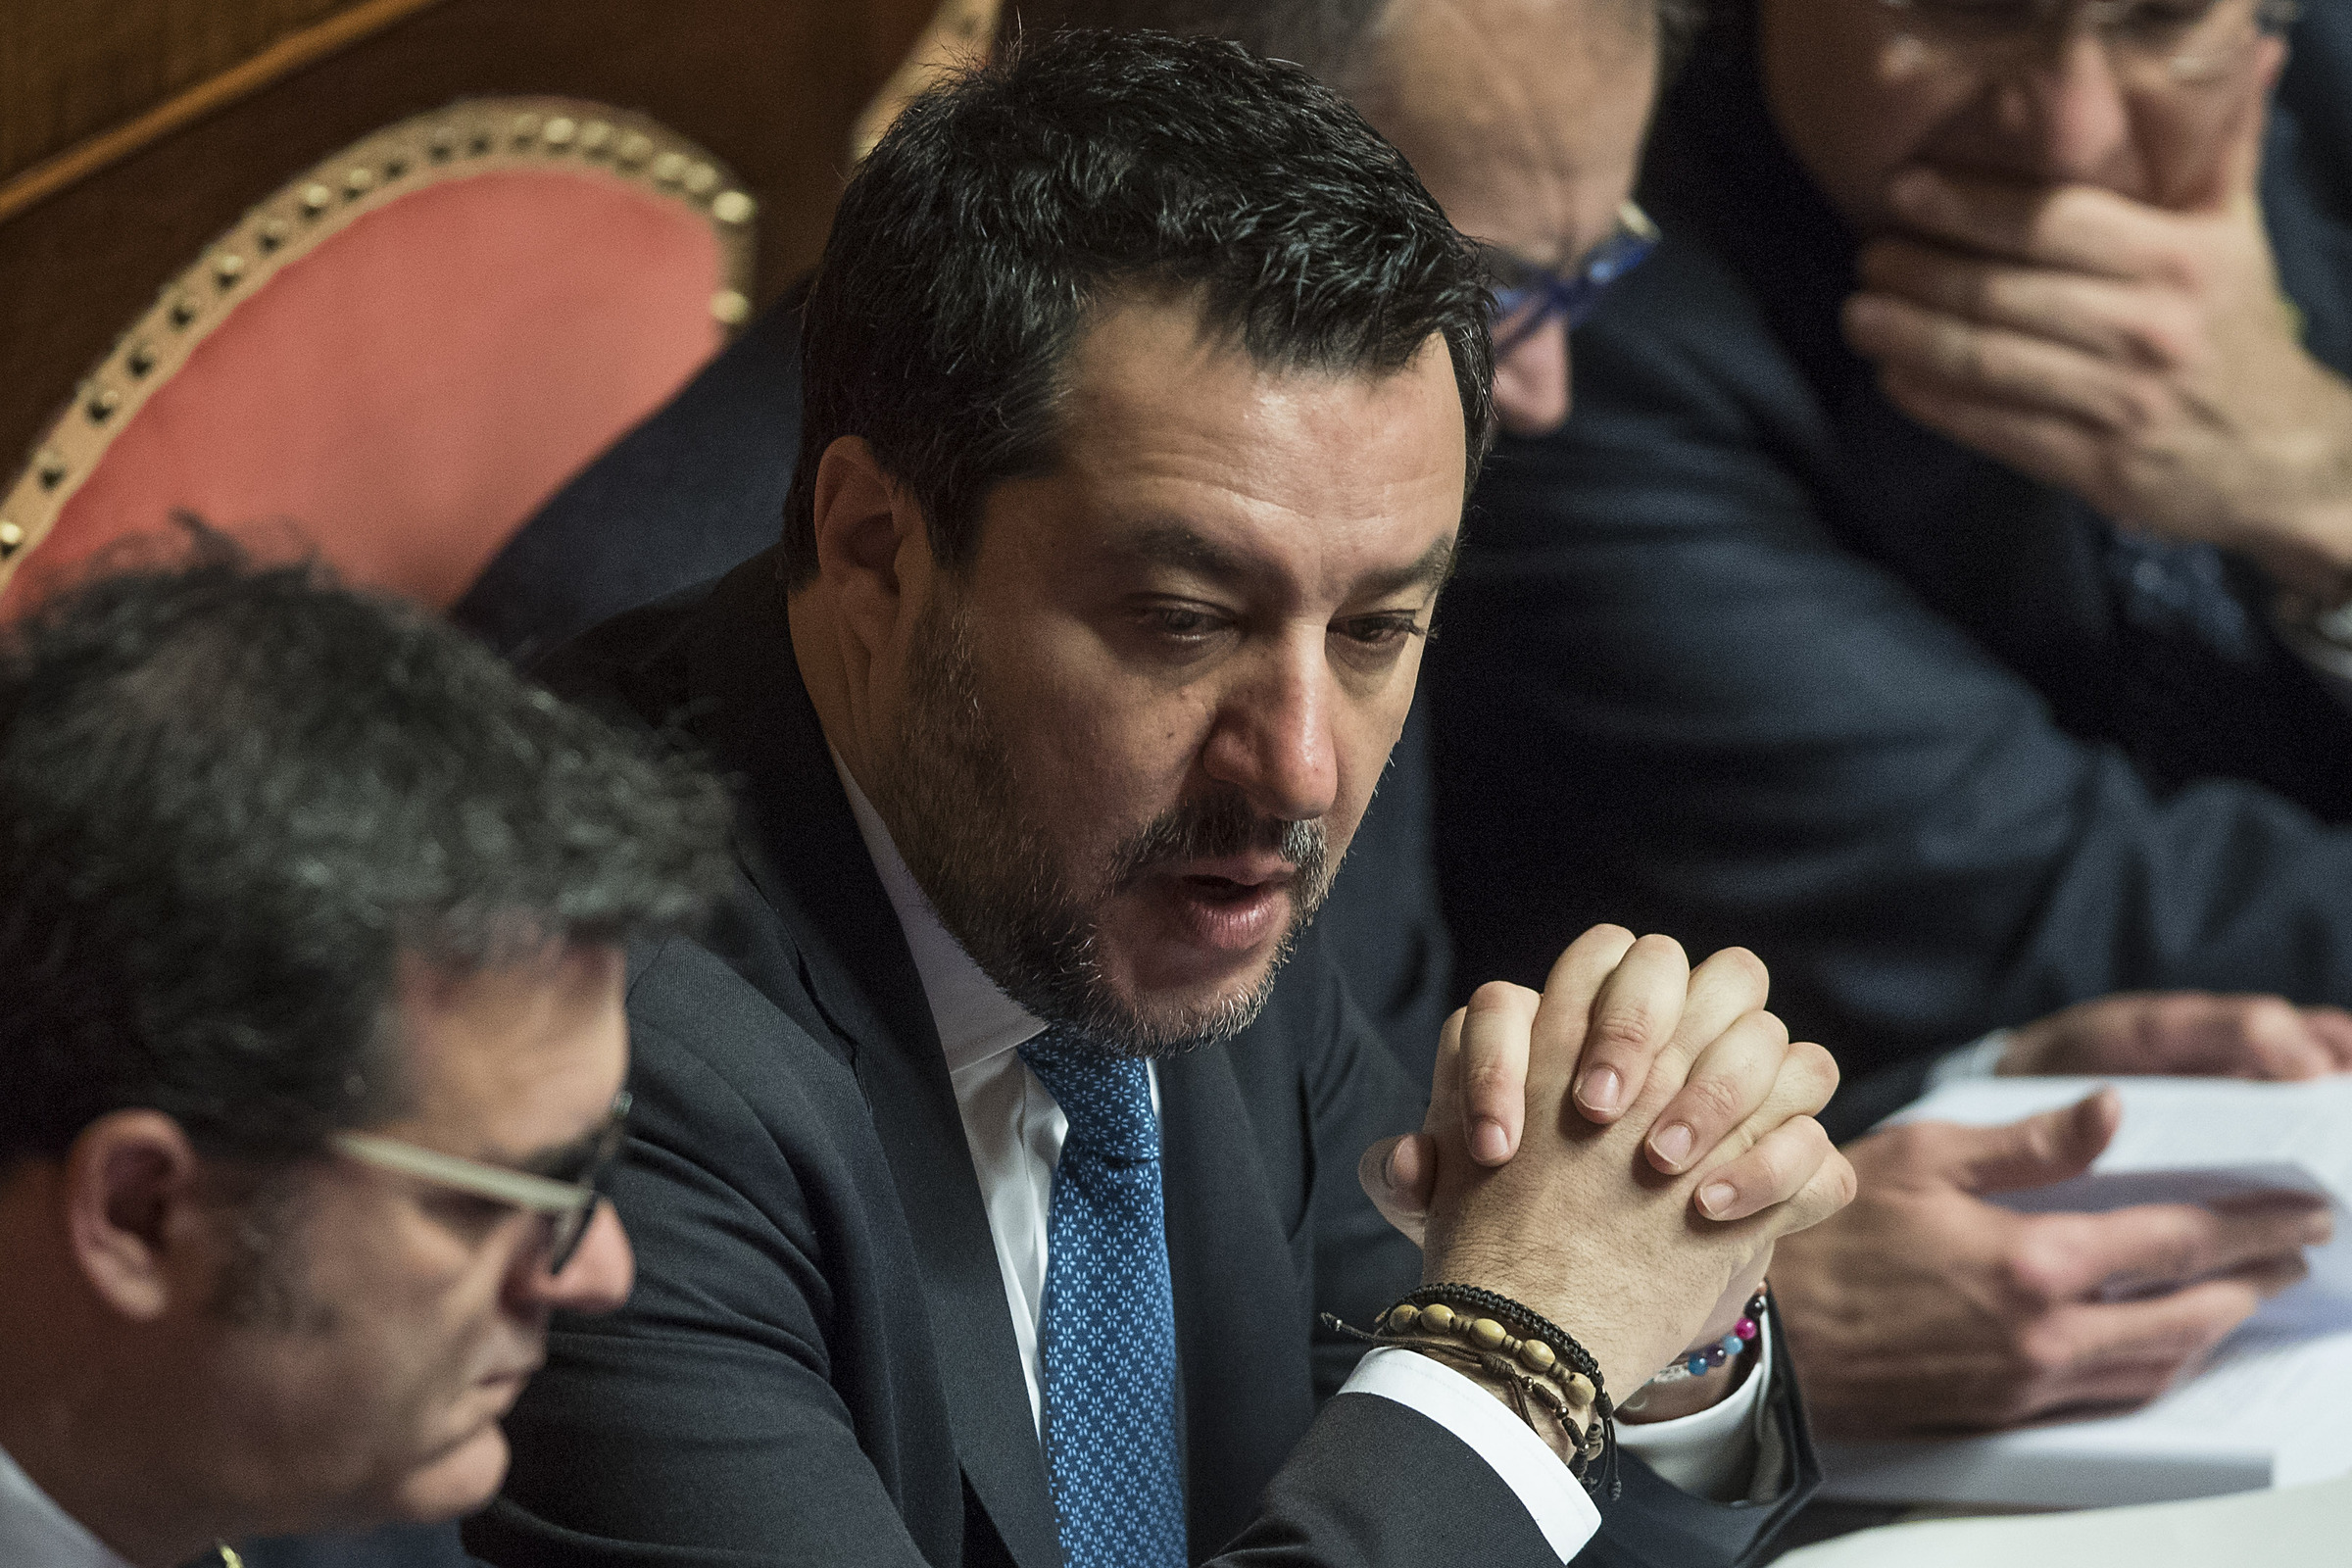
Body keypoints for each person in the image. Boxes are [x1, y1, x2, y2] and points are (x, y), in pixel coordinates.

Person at [465, 31, 1856, 1568]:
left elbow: (1416, 1465)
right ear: (873, 548)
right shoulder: (574, 1050)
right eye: (1183, 622)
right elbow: (1464, 1418)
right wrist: (1527, 1356)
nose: (1304, 767)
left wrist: (1664, 1318)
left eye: (1381, 629)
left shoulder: (1167, 858)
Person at [1408, 0, 2352, 1435]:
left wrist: (2321, 490)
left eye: (2163, 19)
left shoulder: (2321, 88)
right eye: (1971, 13)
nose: (2074, 133)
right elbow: (2106, 914)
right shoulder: (1567, 320)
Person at [0, 536, 730, 1568]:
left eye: (593, 1159)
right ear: (140, 1213)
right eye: (496, 1195)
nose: (601, 1271)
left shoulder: (315, 1484)